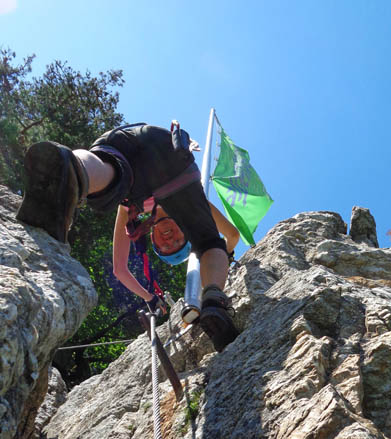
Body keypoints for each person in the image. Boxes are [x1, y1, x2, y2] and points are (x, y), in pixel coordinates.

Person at [16, 122, 239, 351]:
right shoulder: (192, 204)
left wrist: (149, 297)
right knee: (208, 242)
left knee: (110, 184)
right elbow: (230, 235)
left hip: (118, 146)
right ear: (184, 231)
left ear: (153, 239)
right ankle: (214, 301)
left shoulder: (134, 211)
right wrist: (228, 253)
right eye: (178, 242)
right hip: (165, 153)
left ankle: (71, 165)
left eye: (166, 247)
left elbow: (119, 269)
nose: (170, 239)